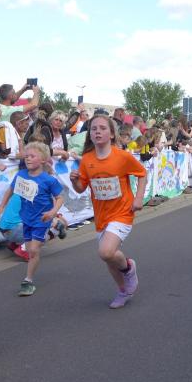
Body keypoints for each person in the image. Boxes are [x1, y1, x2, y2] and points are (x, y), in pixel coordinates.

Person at [69, 114, 147, 308]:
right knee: (109, 260)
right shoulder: (87, 159)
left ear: (112, 134)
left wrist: (138, 198)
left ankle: (128, 267)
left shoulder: (122, 156)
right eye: (94, 129)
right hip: (102, 216)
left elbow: (142, 173)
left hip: (122, 212)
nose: (97, 132)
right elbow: (81, 188)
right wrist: (74, 180)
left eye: (103, 128)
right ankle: (123, 290)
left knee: (105, 252)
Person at [0, 142, 64, 296]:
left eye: (32, 156)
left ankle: (28, 280)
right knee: (30, 249)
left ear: (43, 160)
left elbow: (59, 198)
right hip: (26, 219)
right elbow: (10, 190)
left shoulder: (48, 180)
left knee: (33, 250)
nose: (28, 159)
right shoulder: (21, 175)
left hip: (42, 219)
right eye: (26, 156)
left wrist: (52, 212)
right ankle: (55, 230)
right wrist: (1, 207)